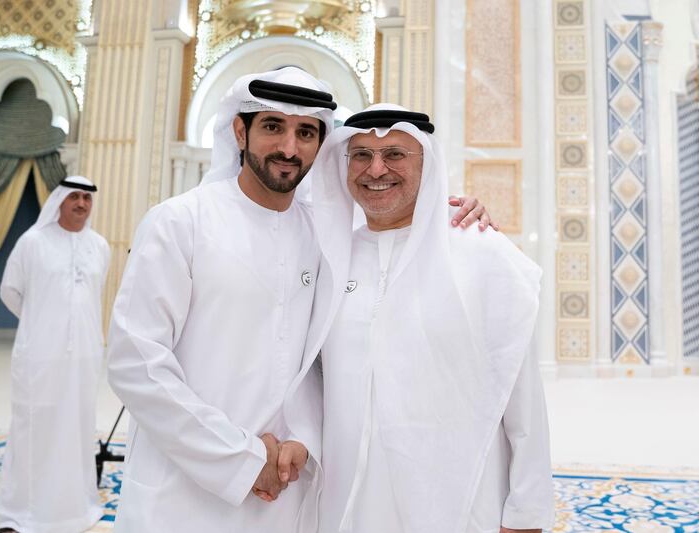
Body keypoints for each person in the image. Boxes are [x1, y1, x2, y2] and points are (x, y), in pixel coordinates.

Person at [106, 68, 492, 532]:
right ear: (239, 131)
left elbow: (319, 360)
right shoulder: (179, 223)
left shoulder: (325, 235)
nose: (289, 148)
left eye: (305, 132)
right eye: (272, 127)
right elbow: (137, 362)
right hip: (183, 488)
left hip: (286, 487)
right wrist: (239, 459)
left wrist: (304, 439)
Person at [285, 104, 554, 533]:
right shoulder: (330, 259)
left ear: (426, 164)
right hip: (346, 505)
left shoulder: (482, 254)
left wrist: (527, 513)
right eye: (361, 156)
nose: (376, 170)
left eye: (395, 154)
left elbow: (523, 400)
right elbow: (307, 378)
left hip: (459, 503)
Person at [0, 176, 110, 533]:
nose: (81, 204)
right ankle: (18, 513)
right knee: (33, 430)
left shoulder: (99, 246)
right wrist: (41, 326)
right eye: (74, 196)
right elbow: (10, 292)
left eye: (87, 198)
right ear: (58, 200)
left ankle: (73, 510)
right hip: (39, 357)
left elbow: (93, 297)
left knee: (75, 429)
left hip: (84, 358)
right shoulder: (32, 243)